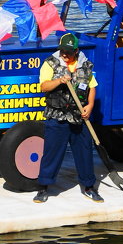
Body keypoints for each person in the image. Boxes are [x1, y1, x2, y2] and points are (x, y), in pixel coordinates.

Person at [34, 32, 102, 203]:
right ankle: (43, 188)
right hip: (57, 116)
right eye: (62, 51)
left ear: (76, 51)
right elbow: (43, 86)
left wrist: (90, 106)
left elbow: (92, 86)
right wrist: (59, 81)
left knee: (84, 152)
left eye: (69, 52)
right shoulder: (50, 63)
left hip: (79, 117)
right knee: (51, 153)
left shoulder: (85, 65)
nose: (65, 54)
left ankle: (88, 186)